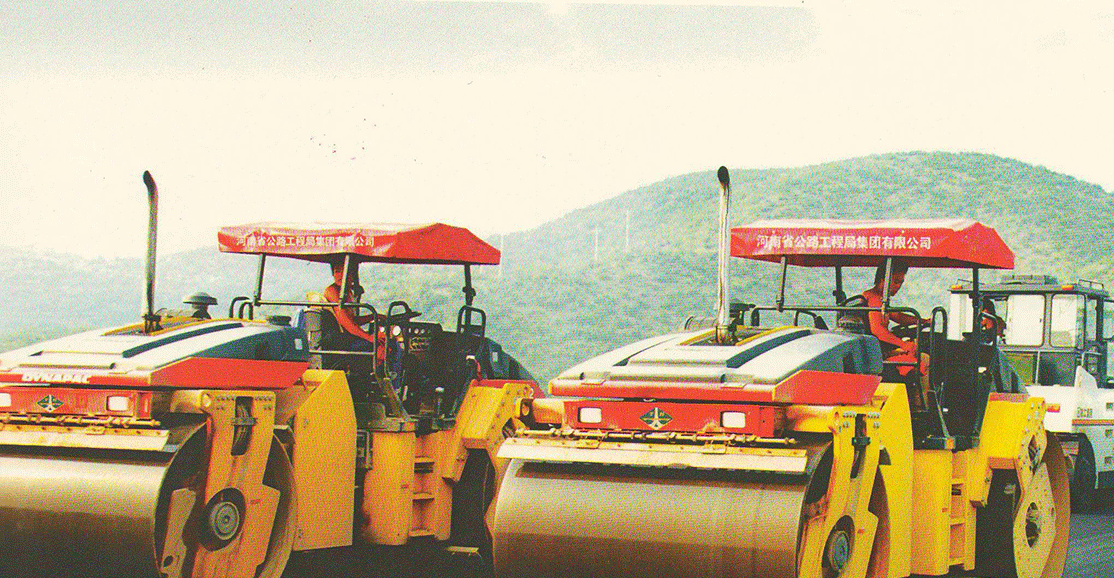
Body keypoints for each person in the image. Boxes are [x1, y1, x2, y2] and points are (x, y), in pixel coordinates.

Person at [860, 260, 931, 399]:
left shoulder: (881, 299)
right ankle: (920, 406)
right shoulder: (874, 298)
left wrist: (921, 320)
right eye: (896, 282)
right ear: (883, 280)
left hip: (878, 351)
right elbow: (877, 330)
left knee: (915, 349)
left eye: (901, 283)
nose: (898, 287)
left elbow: (897, 316)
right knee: (925, 359)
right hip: (879, 355)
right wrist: (903, 344)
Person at [322, 261, 383, 357]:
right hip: (338, 341)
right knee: (385, 345)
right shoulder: (332, 291)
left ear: (352, 274)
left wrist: (374, 316)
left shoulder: (347, 292)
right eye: (337, 271)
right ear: (333, 274)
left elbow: (352, 320)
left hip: (347, 338)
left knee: (385, 340)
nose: (341, 275)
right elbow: (346, 322)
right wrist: (370, 338)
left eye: (345, 271)